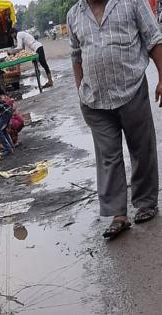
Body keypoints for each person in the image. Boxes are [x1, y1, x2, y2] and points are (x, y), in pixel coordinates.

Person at [67, 0, 162, 238]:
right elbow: (76, 56)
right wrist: (81, 91)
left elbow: (153, 39)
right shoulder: (74, 15)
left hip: (132, 89)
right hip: (95, 100)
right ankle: (118, 214)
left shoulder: (131, 3)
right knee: (108, 157)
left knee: (141, 148)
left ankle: (146, 203)